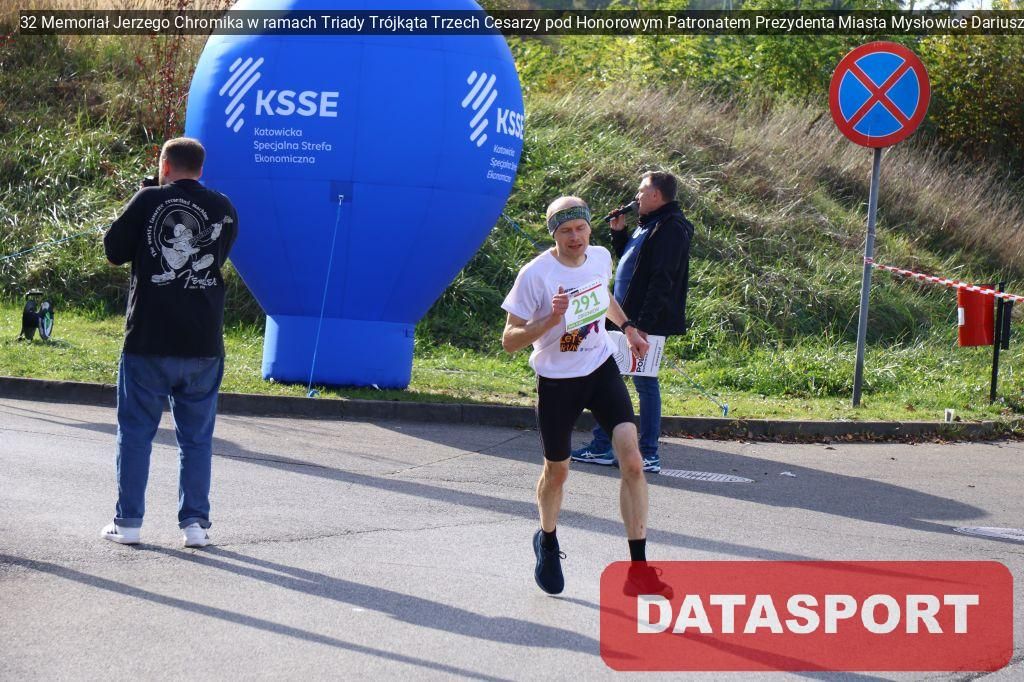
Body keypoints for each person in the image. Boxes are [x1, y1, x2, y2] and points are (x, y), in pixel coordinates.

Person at [501, 196, 668, 596]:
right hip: (558, 381)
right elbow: (509, 340)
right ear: (554, 234)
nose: (575, 237)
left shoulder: (599, 257)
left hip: (600, 367)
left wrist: (627, 327)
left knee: (633, 461)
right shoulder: (535, 275)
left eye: (580, 228)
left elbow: (603, 297)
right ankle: (547, 539)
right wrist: (551, 319)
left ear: (590, 228)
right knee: (557, 472)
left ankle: (638, 570)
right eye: (565, 231)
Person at [100, 137, 238, 548]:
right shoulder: (224, 207)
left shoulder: (148, 200)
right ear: (201, 168)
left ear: (164, 166)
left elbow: (114, 250)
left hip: (148, 337)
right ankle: (195, 525)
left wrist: (143, 199)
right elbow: (219, 254)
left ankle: (128, 523)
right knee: (196, 439)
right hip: (203, 340)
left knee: (135, 433)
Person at [571, 171, 693, 473]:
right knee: (610, 379)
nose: (636, 196)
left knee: (644, 383)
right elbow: (634, 266)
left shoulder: (671, 227)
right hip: (626, 320)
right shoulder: (648, 225)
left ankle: (647, 453)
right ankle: (603, 446)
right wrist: (619, 234)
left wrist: (643, 326)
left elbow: (663, 279)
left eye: (641, 190)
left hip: (644, 323)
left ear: (656, 195)